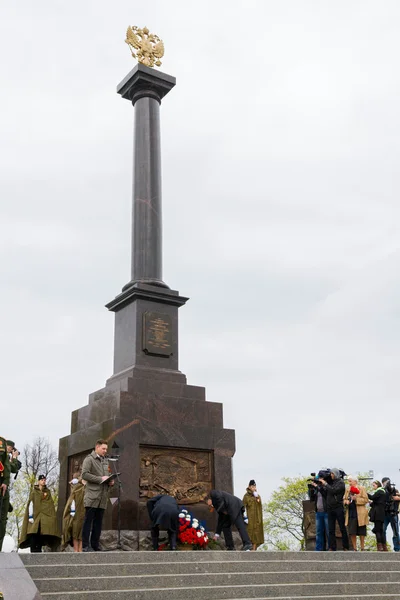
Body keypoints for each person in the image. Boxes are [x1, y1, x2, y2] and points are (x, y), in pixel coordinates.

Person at [81, 439, 114, 552]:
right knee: (88, 522)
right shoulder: (89, 459)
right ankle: (85, 546)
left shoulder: (105, 461)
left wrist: (110, 481)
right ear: (97, 447)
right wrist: (100, 479)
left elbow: (107, 475)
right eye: (103, 448)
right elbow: (84, 475)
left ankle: (95, 545)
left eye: (106, 449)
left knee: (98, 523)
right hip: (92, 496)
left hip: (103, 497)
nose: (105, 451)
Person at [19, 474, 61, 552]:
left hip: (44, 518)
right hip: (35, 517)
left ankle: (38, 549)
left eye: (44, 480)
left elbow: (50, 505)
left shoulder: (47, 492)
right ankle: (33, 549)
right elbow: (31, 504)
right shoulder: (34, 492)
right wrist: (31, 516)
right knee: (33, 533)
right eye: (42, 480)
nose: (43, 481)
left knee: (41, 533)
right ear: (38, 481)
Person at [319, 468, 349, 551]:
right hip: (330, 508)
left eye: (332, 474)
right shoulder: (330, 483)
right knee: (331, 529)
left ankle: (345, 546)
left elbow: (333, 490)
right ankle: (332, 546)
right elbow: (326, 494)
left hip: (338, 507)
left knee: (342, 527)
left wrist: (325, 484)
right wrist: (320, 487)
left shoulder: (341, 483)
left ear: (335, 474)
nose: (331, 475)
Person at [344, 476, 369, 551]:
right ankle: (355, 548)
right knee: (352, 531)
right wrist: (346, 502)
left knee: (361, 531)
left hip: (360, 512)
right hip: (351, 512)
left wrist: (356, 499)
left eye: (350, 481)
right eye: (348, 481)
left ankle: (362, 547)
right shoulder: (347, 489)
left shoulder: (361, 488)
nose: (349, 483)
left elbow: (366, 499)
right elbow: (344, 499)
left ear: (355, 481)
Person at [62, 474, 86, 552]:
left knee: (81, 531)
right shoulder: (76, 489)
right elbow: (72, 500)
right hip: (76, 513)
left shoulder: (84, 488)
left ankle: (80, 549)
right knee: (75, 531)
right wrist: (72, 511)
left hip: (83, 511)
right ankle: (76, 549)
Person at [243, 479, 264, 550]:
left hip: (257, 519)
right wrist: (244, 517)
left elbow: (259, 505)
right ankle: (250, 549)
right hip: (250, 519)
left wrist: (257, 498)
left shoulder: (258, 496)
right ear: (249, 487)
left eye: (254, 486)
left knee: (257, 535)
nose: (253, 488)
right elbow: (243, 507)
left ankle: (254, 550)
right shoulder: (246, 496)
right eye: (252, 486)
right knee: (250, 534)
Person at [308, 478, 329, 551]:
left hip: (326, 512)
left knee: (328, 531)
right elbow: (311, 499)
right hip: (318, 512)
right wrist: (311, 489)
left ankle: (330, 547)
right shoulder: (317, 489)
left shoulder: (326, 487)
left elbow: (325, 493)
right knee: (319, 531)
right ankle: (318, 548)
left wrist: (317, 487)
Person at [382, 477, 400, 552]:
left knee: (395, 532)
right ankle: (384, 547)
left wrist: (398, 498)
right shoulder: (382, 491)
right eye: (384, 482)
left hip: (394, 513)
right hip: (385, 514)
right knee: (382, 530)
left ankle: (397, 548)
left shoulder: (394, 491)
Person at [368, 480, 386, 551]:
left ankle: (380, 546)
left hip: (378, 513)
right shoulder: (382, 492)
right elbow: (375, 502)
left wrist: (365, 493)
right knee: (380, 530)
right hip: (381, 513)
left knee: (377, 530)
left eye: (374, 485)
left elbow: (372, 497)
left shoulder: (379, 491)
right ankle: (384, 546)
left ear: (378, 485)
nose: (373, 487)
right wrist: (371, 503)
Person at [0, 436, 11, 552]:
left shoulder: (1, 442)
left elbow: (6, 464)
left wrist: (5, 482)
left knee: (2, 521)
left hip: (1, 488)